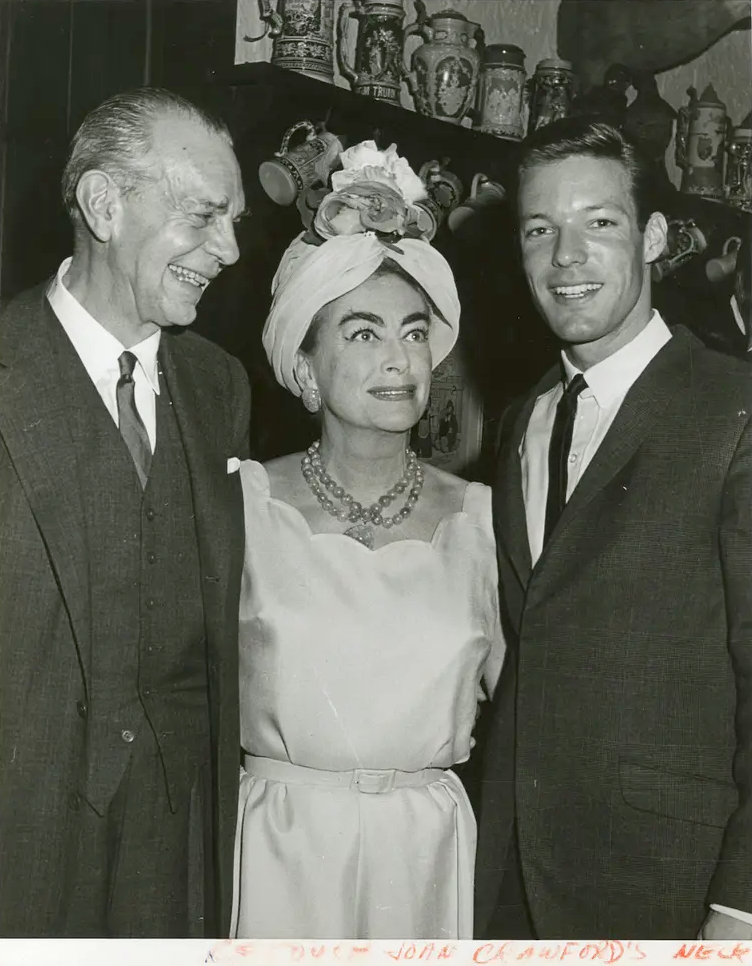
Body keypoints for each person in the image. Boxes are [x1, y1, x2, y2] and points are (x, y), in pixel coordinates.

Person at [475, 116, 752, 940]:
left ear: (655, 236)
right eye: (539, 230)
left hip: (673, 888)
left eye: (599, 223)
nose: (566, 258)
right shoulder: (524, 418)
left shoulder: (733, 410)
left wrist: (740, 908)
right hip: (512, 881)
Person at [230, 142, 505, 940]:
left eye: (414, 333)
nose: (398, 359)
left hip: (426, 863)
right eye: (361, 334)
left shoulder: (486, 519)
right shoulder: (241, 501)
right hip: (280, 856)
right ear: (306, 370)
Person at [0, 88, 250, 937]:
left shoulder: (220, 387)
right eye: (204, 217)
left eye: (235, 220)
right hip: (19, 847)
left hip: (175, 853)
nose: (230, 249)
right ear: (105, 205)